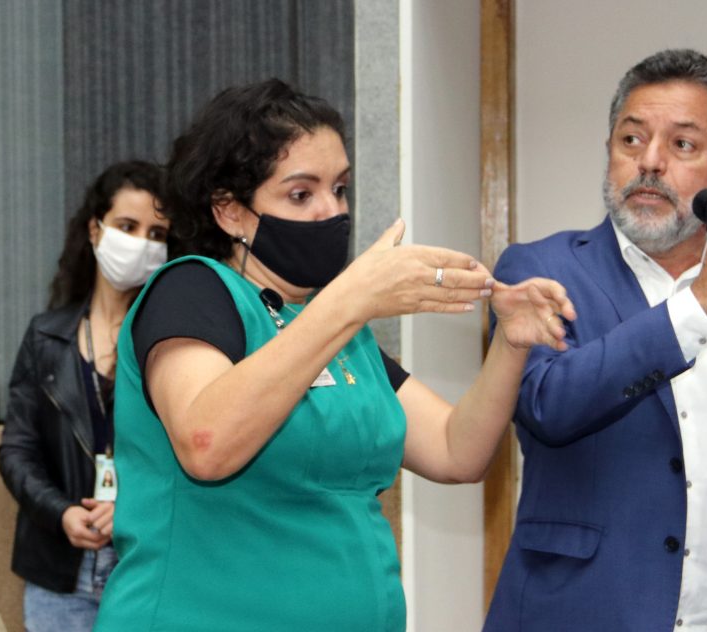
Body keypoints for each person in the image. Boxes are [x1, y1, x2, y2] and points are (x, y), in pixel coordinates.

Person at [92, 79, 575, 631]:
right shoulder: (193, 290)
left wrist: (510, 342)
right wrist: (351, 299)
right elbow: (206, 443)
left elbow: (455, 451)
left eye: (340, 189)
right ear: (230, 212)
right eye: (301, 194)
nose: (331, 210)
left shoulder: (338, 328)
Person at [483, 49, 707, 632]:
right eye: (631, 140)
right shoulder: (539, 271)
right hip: (580, 615)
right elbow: (547, 405)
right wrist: (697, 302)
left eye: (682, 145)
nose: (650, 162)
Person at [0, 160, 170, 632]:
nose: (142, 243)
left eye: (157, 234)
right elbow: (17, 451)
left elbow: (193, 455)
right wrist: (62, 512)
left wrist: (131, 506)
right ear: (96, 230)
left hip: (146, 570)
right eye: (128, 227)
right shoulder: (45, 337)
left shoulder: (175, 344)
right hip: (59, 574)